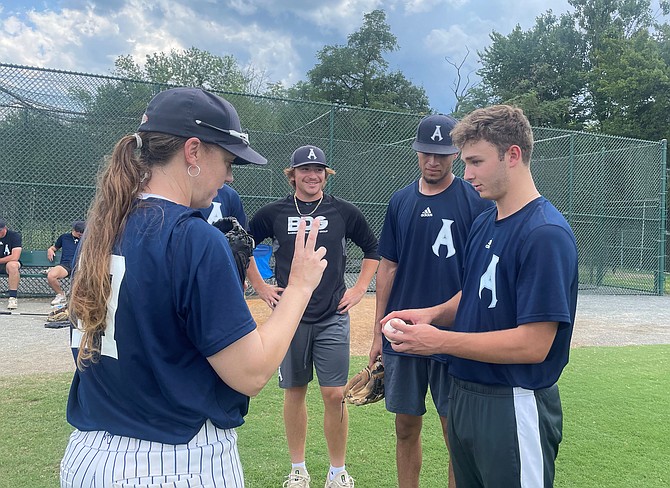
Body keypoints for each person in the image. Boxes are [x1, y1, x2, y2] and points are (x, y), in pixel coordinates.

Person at [60, 87, 328, 488]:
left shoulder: (103, 227)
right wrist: (301, 288)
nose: (230, 175)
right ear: (193, 152)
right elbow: (251, 373)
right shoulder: (194, 238)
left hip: (88, 457)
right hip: (176, 460)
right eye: (226, 159)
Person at [383, 105, 578, 488]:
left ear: (513, 155)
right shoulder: (487, 219)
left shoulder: (545, 234)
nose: (467, 173)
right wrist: (432, 315)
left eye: (475, 162)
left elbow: (534, 345)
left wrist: (439, 341)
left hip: (513, 401)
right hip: (466, 393)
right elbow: (472, 295)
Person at [369, 114, 493, 488]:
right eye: (427, 153)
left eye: (442, 154)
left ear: (455, 153)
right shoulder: (400, 200)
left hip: (453, 332)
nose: (433, 161)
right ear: (417, 152)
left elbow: (481, 270)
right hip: (404, 333)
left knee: (454, 430)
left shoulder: (475, 200)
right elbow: (387, 266)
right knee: (405, 426)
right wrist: (378, 335)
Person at [248, 145, 379, 488]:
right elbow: (242, 245)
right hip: (289, 317)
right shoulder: (273, 212)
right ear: (292, 175)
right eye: (305, 170)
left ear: (325, 174)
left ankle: (337, 472)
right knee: (294, 390)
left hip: (331, 314)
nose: (312, 175)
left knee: (334, 394)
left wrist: (360, 288)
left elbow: (373, 248)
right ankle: (298, 469)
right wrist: (261, 287)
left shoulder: (342, 211)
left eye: (318, 170)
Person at [46, 220, 85, 305]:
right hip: (66, 265)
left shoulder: (87, 239)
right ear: (74, 230)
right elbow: (54, 247)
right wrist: (50, 249)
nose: (81, 235)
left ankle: (76, 294)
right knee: (51, 276)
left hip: (81, 265)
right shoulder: (64, 237)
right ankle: (61, 294)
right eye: (79, 233)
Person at [0, 219, 22, 310]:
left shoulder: (14, 236)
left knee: (12, 265)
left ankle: (13, 297)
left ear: (5, 228)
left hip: (8, 263)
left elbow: (15, 256)